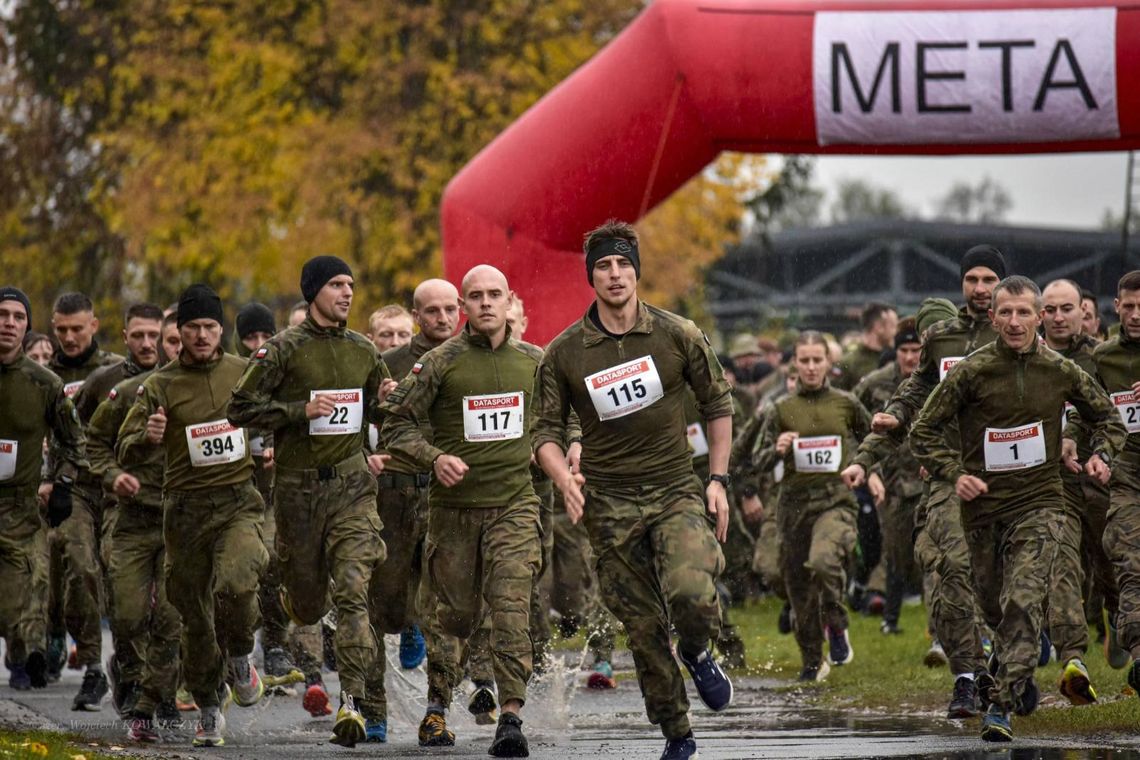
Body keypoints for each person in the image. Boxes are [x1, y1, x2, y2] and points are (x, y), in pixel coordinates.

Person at [533, 220, 733, 760]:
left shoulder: (677, 334)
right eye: (603, 265)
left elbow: (718, 405)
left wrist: (718, 480)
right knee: (644, 629)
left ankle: (696, 649)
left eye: (623, 263)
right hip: (608, 503)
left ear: (636, 271)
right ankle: (677, 734)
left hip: (675, 490)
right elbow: (545, 435)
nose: (615, 274)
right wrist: (564, 479)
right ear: (591, 277)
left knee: (692, 594)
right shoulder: (565, 352)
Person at [911, 275, 1124, 742]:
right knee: (993, 605)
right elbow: (922, 431)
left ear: (1040, 317)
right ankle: (1012, 668)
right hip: (984, 509)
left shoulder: (1060, 370)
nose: (1014, 322)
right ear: (993, 318)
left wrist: (1100, 454)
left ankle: (1000, 706)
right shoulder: (971, 371)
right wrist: (953, 473)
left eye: (1024, 312)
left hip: (1042, 502)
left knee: (1023, 601)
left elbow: (1107, 416)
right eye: (1005, 313)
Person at [380, 265, 542, 758]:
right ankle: (437, 705)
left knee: (511, 608)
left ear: (508, 298)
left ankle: (510, 717)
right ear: (464, 307)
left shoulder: (535, 361)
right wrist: (435, 458)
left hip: (514, 506)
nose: (486, 304)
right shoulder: (439, 363)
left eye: (496, 294)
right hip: (452, 513)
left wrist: (566, 447)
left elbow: (564, 418)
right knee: (453, 619)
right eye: (476, 297)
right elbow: (394, 428)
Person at [228, 256, 390, 748]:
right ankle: (294, 602)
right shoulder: (281, 350)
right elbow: (239, 408)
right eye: (337, 284)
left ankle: (354, 700)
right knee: (307, 602)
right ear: (314, 290)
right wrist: (298, 411)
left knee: (354, 591)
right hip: (298, 492)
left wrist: (392, 398)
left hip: (353, 488)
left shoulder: (364, 350)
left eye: (351, 284)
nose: (347, 293)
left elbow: (381, 407)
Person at [849, 247, 1005, 719]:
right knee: (951, 571)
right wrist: (887, 425)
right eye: (972, 279)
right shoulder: (942, 337)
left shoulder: (1016, 329)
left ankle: (1004, 663)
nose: (980, 288)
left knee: (999, 583)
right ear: (962, 283)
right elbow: (915, 391)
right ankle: (966, 677)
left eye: (989, 279)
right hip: (946, 473)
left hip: (1008, 476)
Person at [118, 285, 268, 747]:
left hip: (238, 502)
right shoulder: (160, 385)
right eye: (192, 328)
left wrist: (269, 443)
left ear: (221, 329)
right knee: (196, 619)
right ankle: (207, 705)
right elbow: (122, 446)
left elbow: (270, 418)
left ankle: (241, 655)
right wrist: (147, 435)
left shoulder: (244, 372)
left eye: (209, 327)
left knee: (239, 581)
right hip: (183, 512)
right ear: (178, 332)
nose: (202, 335)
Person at [364, 277, 459, 742]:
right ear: (416, 316)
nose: (442, 319)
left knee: (444, 605)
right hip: (395, 494)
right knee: (384, 605)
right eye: (432, 312)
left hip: (450, 496)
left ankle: (437, 708)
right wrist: (376, 417)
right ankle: (373, 708)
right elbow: (352, 422)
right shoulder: (386, 364)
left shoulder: (471, 358)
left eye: (449, 309)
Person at [84, 304, 181, 739]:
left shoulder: (211, 388)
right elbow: (91, 442)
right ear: (128, 336)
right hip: (129, 516)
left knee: (171, 618)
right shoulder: (122, 390)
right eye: (140, 336)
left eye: (157, 337)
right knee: (128, 615)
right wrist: (112, 476)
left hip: (181, 519)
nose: (150, 345)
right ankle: (127, 667)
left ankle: (153, 695)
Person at [755, 331, 876, 680]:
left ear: (827, 362)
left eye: (817, 360)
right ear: (794, 363)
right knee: (798, 588)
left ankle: (836, 621)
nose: (810, 367)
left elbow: (874, 439)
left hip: (834, 502)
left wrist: (869, 469)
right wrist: (776, 449)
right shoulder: (780, 409)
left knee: (823, 561)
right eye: (804, 361)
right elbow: (757, 461)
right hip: (792, 507)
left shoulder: (846, 403)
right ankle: (812, 661)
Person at [0, 287, 86, 690]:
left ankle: (25, 656)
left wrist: (62, 482)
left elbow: (74, 440)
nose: (9, 323)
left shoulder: (44, 383)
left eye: (18, 317)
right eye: (3, 314)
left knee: (23, 596)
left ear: (27, 326)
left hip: (20, 507)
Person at [48, 292, 123, 708]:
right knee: (78, 567)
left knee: (116, 569)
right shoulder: (44, 374)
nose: (70, 336)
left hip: (113, 487)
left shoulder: (114, 370)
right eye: (61, 329)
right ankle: (93, 666)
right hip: (72, 485)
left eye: (77, 328)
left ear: (94, 325)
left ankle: (126, 661)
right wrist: (51, 480)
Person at [1039, 279, 1113, 702]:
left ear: (1082, 311)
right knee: (1062, 561)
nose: (1060, 317)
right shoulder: (1026, 357)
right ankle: (1073, 659)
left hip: (1102, 479)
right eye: (1051, 309)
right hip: (1052, 484)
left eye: (1068, 308)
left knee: (1108, 568)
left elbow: (1111, 416)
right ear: (1040, 313)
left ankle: (1121, 625)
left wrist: (1101, 452)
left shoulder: (1100, 358)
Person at [1081, 270, 1140, 695]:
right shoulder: (1104, 357)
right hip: (1127, 476)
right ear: (1116, 308)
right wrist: (1099, 455)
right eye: (1130, 306)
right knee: (1125, 557)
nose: (1137, 315)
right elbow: (1091, 414)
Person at [851, 317, 924, 636]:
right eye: (904, 350)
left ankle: (938, 634)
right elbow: (848, 417)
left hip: (932, 476)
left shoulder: (940, 379)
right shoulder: (876, 383)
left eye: (916, 350)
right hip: (891, 482)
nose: (910, 357)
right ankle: (890, 619)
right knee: (896, 555)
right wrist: (869, 468)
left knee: (936, 552)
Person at [831, 302, 898, 391]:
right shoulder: (848, 364)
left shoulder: (897, 359)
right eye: (893, 326)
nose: (896, 332)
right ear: (879, 327)